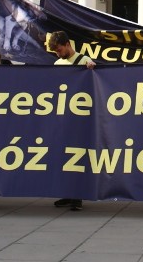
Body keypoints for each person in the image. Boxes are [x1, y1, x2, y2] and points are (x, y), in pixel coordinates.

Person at [47, 32, 95, 211]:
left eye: (59, 50)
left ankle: (77, 196)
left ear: (67, 44)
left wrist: (92, 70)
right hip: (63, 118)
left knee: (78, 156)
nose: (58, 54)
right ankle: (67, 192)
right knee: (64, 157)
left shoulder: (84, 61)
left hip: (80, 118)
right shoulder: (57, 64)